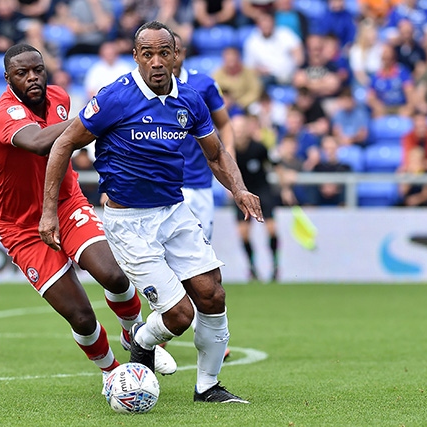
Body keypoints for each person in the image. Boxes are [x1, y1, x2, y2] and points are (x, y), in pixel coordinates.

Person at [39, 21, 262, 403]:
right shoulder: (115, 98)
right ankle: (140, 344)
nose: (157, 61)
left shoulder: (190, 100)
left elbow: (216, 153)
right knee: (179, 315)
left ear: (177, 56)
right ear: (136, 57)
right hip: (129, 223)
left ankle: (207, 387)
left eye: (164, 53)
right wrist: (49, 213)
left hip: (174, 212)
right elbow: (63, 145)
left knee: (212, 296)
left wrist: (239, 189)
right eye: (148, 54)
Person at [0, 43, 177, 393]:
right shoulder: (4, 113)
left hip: (67, 203)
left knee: (114, 276)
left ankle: (134, 333)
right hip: (22, 228)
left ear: (46, 71)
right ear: (7, 79)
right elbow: (43, 142)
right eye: (21, 73)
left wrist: (100, 116)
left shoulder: (59, 97)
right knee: (81, 316)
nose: (32, 78)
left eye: (37, 70)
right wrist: (103, 112)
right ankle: (112, 374)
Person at [173, 32, 234, 240]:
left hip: (199, 180)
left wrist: (229, 159)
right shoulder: (143, 87)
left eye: (175, 50)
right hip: (164, 182)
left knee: (202, 246)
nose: (171, 56)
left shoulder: (204, 84)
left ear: (183, 53)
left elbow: (224, 124)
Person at [232, 113, 279, 282]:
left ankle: (275, 267)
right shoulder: (230, 151)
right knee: (243, 233)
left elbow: (273, 165)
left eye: (241, 128)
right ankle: (252, 268)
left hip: (262, 191)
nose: (238, 132)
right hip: (242, 193)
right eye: (235, 129)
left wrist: (285, 186)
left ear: (247, 129)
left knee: (272, 229)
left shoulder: (259, 147)